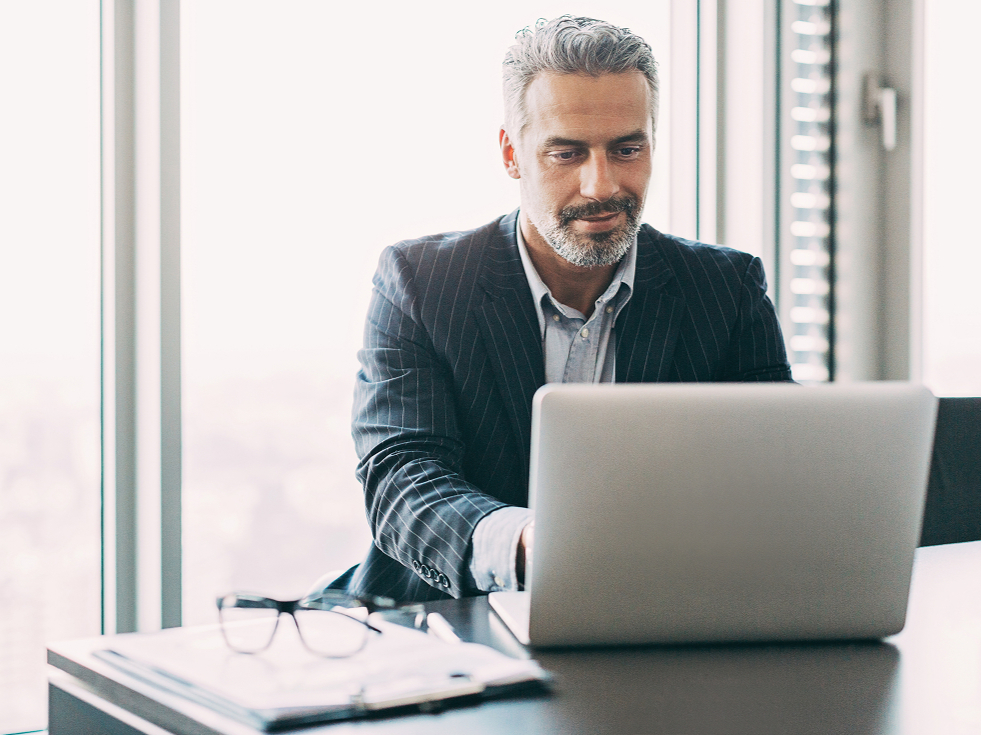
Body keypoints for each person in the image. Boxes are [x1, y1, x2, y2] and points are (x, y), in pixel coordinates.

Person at [342, 16, 792, 603]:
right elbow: (401, 478)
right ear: (512, 154)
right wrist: (526, 543)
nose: (601, 185)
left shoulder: (727, 288)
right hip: (453, 627)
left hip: (665, 620)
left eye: (627, 149)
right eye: (567, 153)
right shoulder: (421, 283)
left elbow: (777, 475)